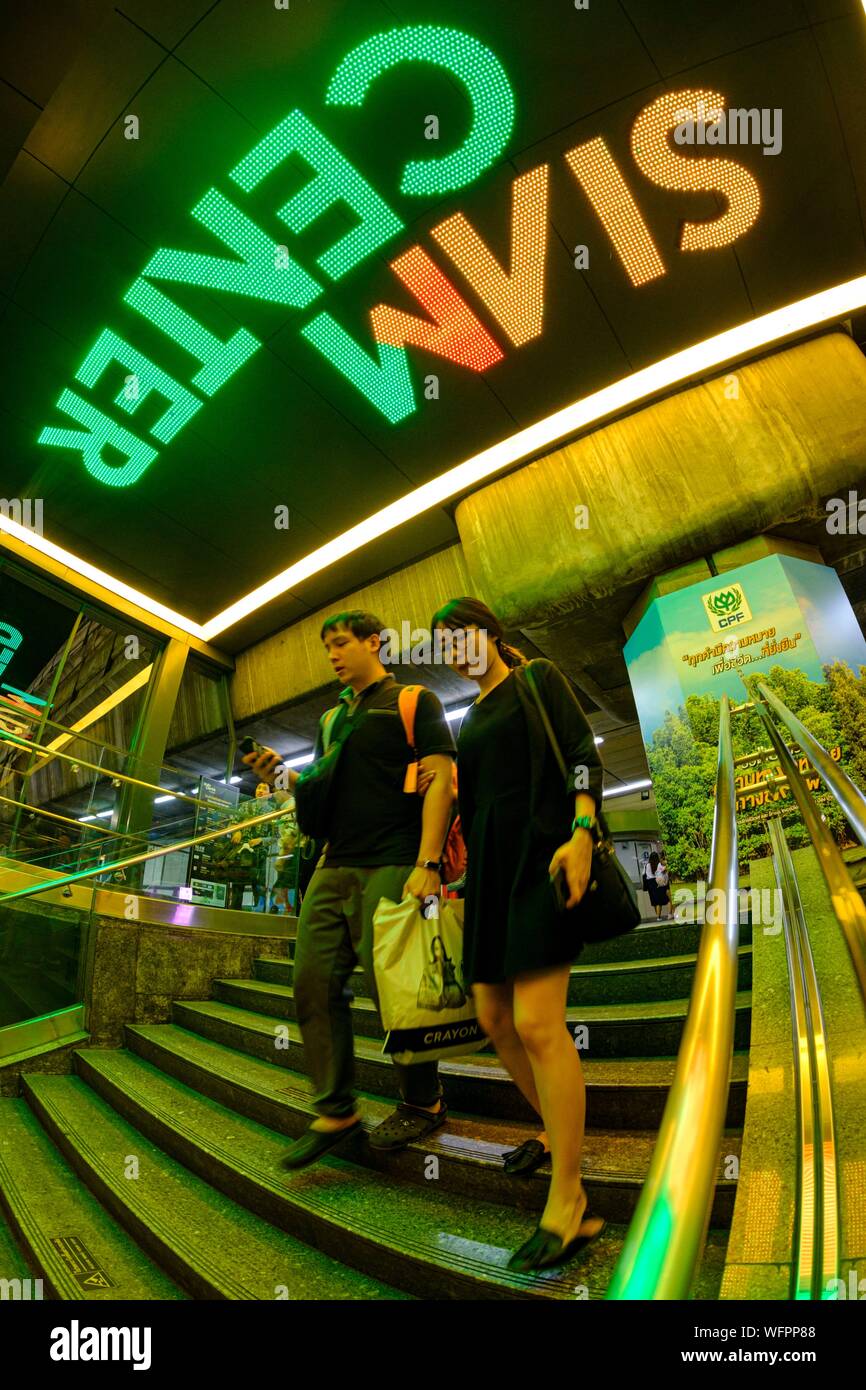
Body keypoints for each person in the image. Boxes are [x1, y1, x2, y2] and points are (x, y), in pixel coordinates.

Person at [428, 595, 606, 1272]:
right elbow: (471, 804)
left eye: (462, 635)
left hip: (542, 859)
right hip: (491, 878)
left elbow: (581, 752)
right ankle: (560, 1133)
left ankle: (571, 1199)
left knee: (537, 1023)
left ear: (492, 634)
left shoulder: (537, 680)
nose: (455, 651)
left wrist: (583, 830)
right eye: (444, 645)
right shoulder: (468, 718)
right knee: (494, 1017)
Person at [243, 610, 456, 1168]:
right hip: (334, 863)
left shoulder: (413, 701)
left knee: (398, 991)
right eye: (327, 648)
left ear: (374, 643)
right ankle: (337, 1110)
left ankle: (423, 1100)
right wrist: (279, 777)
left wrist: (428, 861)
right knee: (311, 980)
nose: (333, 655)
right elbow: (317, 793)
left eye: (341, 644)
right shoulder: (330, 720)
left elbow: (442, 782)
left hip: (394, 859)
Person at [645, 850, 663, 919]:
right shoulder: (659, 864)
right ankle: (658, 916)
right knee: (659, 900)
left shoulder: (647, 865)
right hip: (657, 881)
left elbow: (645, 874)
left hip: (650, 883)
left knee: (654, 900)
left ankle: (657, 916)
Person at [655, 851, 671, 920]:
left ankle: (659, 917)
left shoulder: (659, 864)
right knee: (669, 900)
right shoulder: (661, 863)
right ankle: (669, 914)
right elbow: (665, 869)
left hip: (662, 883)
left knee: (660, 902)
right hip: (663, 883)